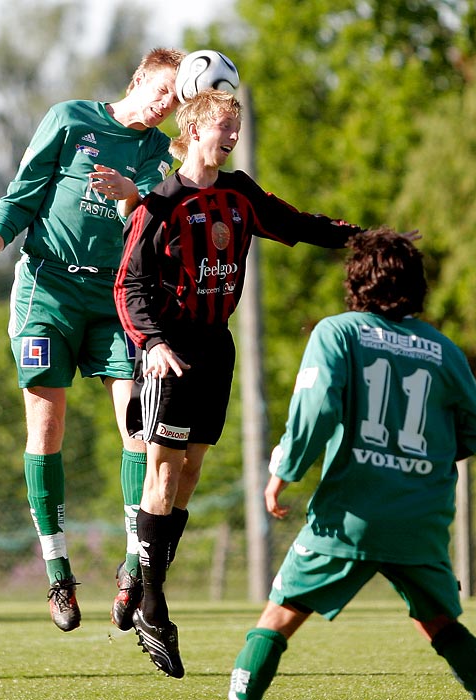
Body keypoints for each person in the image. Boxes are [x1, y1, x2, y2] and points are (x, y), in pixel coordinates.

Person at [113, 88, 378, 678]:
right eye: (223, 126)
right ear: (196, 128)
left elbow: (299, 224)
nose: (232, 135)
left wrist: (365, 237)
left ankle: (138, 573)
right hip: (169, 353)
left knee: (192, 470)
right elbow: (126, 287)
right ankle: (153, 605)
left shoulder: (240, 194)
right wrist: (152, 346)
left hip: (215, 348)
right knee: (162, 468)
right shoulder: (159, 205)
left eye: (236, 126)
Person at [0, 47, 185, 633]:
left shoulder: (161, 153)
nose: (164, 104)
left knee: (140, 427)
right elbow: (22, 194)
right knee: (46, 426)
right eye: (160, 90)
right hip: (46, 294)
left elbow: (165, 220)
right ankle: (58, 572)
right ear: (138, 79)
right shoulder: (70, 119)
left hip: (115, 300)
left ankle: (135, 565)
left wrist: (134, 193)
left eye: (175, 98)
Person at [228, 227, 476, 700]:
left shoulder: (338, 332)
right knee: (436, 620)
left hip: (349, 517)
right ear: (417, 286)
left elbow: (317, 408)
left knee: (279, 615)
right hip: (419, 520)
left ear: (356, 282)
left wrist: (284, 473)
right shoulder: (443, 349)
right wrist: (419, 458)